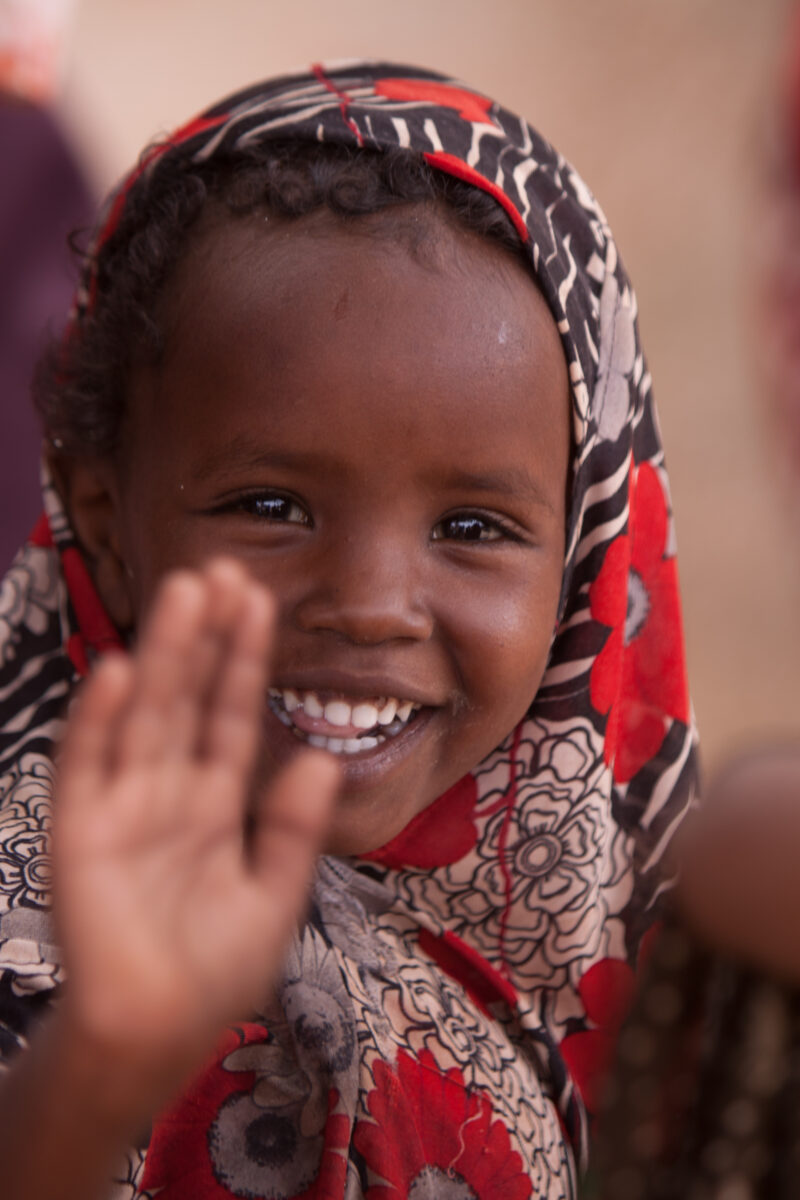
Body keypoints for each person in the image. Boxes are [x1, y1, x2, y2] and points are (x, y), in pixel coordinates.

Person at [0, 62, 697, 1200]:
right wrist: (93, 1071)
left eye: (471, 526)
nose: (372, 601)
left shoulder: (600, 939)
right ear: (105, 518)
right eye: (269, 507)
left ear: (581, 561)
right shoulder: (43, 927)